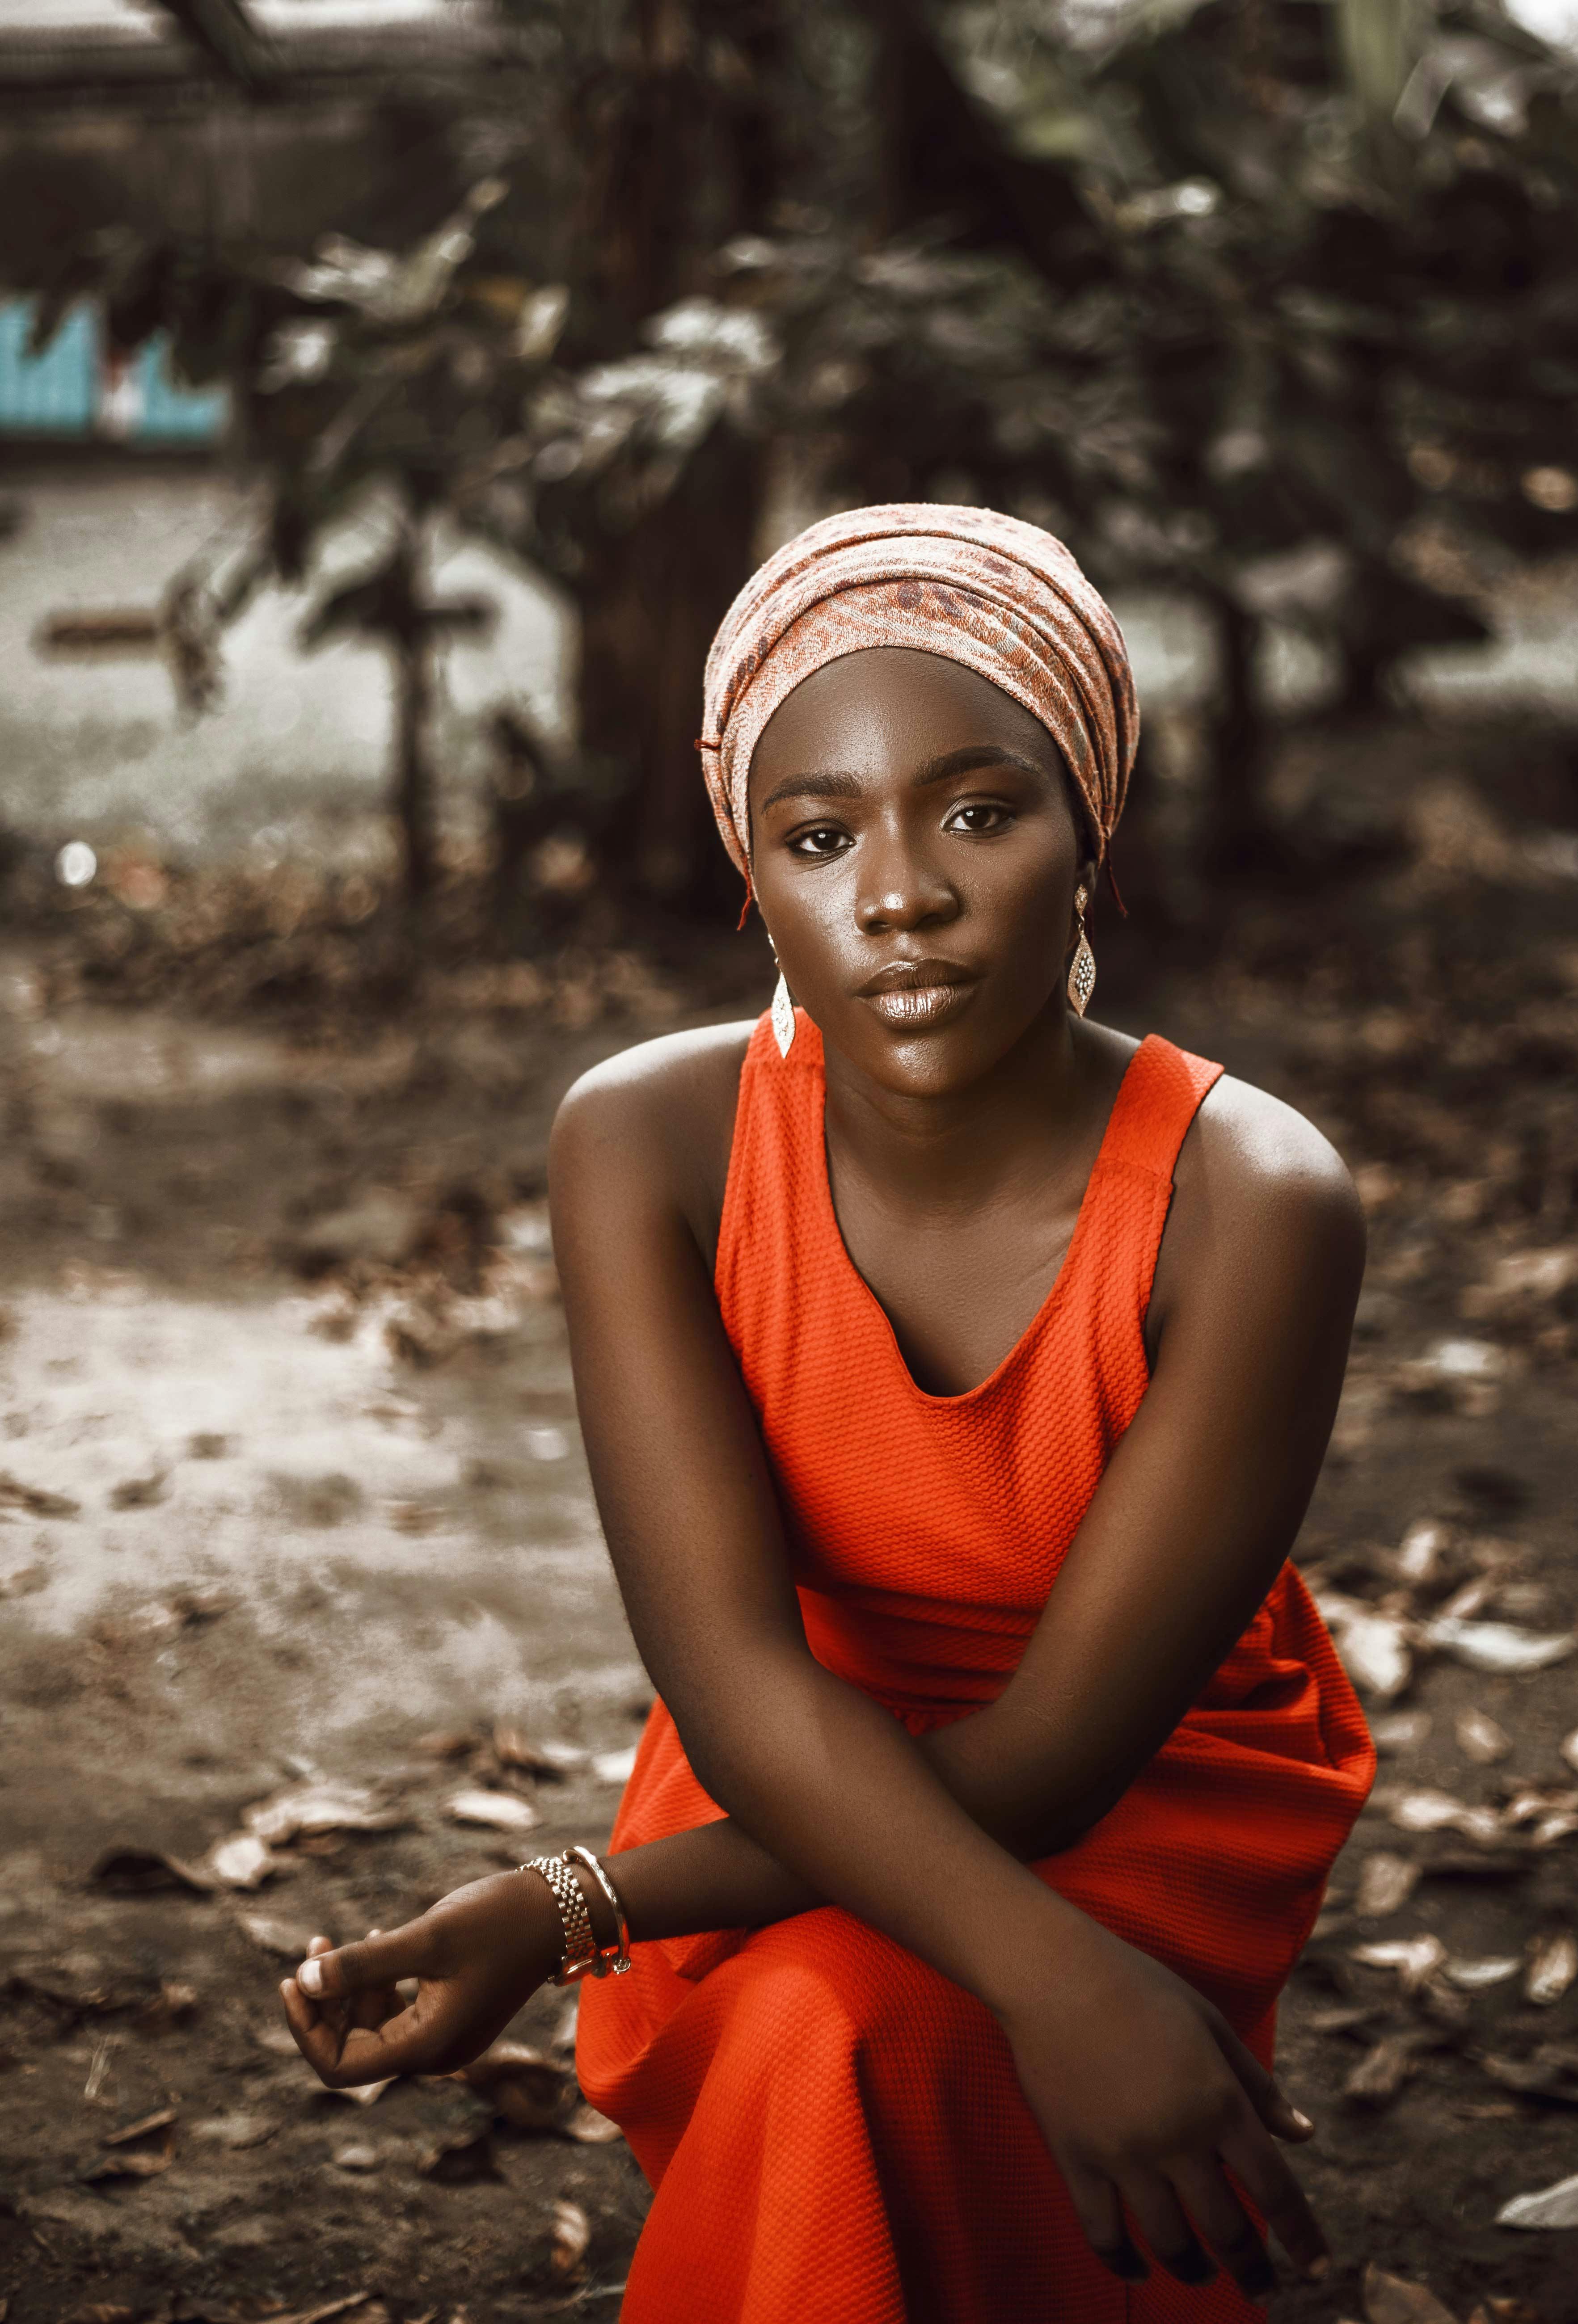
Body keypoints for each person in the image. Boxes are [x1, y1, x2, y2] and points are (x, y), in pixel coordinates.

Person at [280, 504, 1375, 2322]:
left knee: (823, 2038)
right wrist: (580, 1901)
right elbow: (729, 1674)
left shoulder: (1249, 1196)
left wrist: (574, 1907)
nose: (897, 894)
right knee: (825, 2040)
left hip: (1138, 1791)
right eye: (815, 833)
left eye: (974, 810)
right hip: (784, 1768)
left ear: (1088, 835)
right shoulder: (646, 1141)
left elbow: (1055, 1758)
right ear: (747, 881)